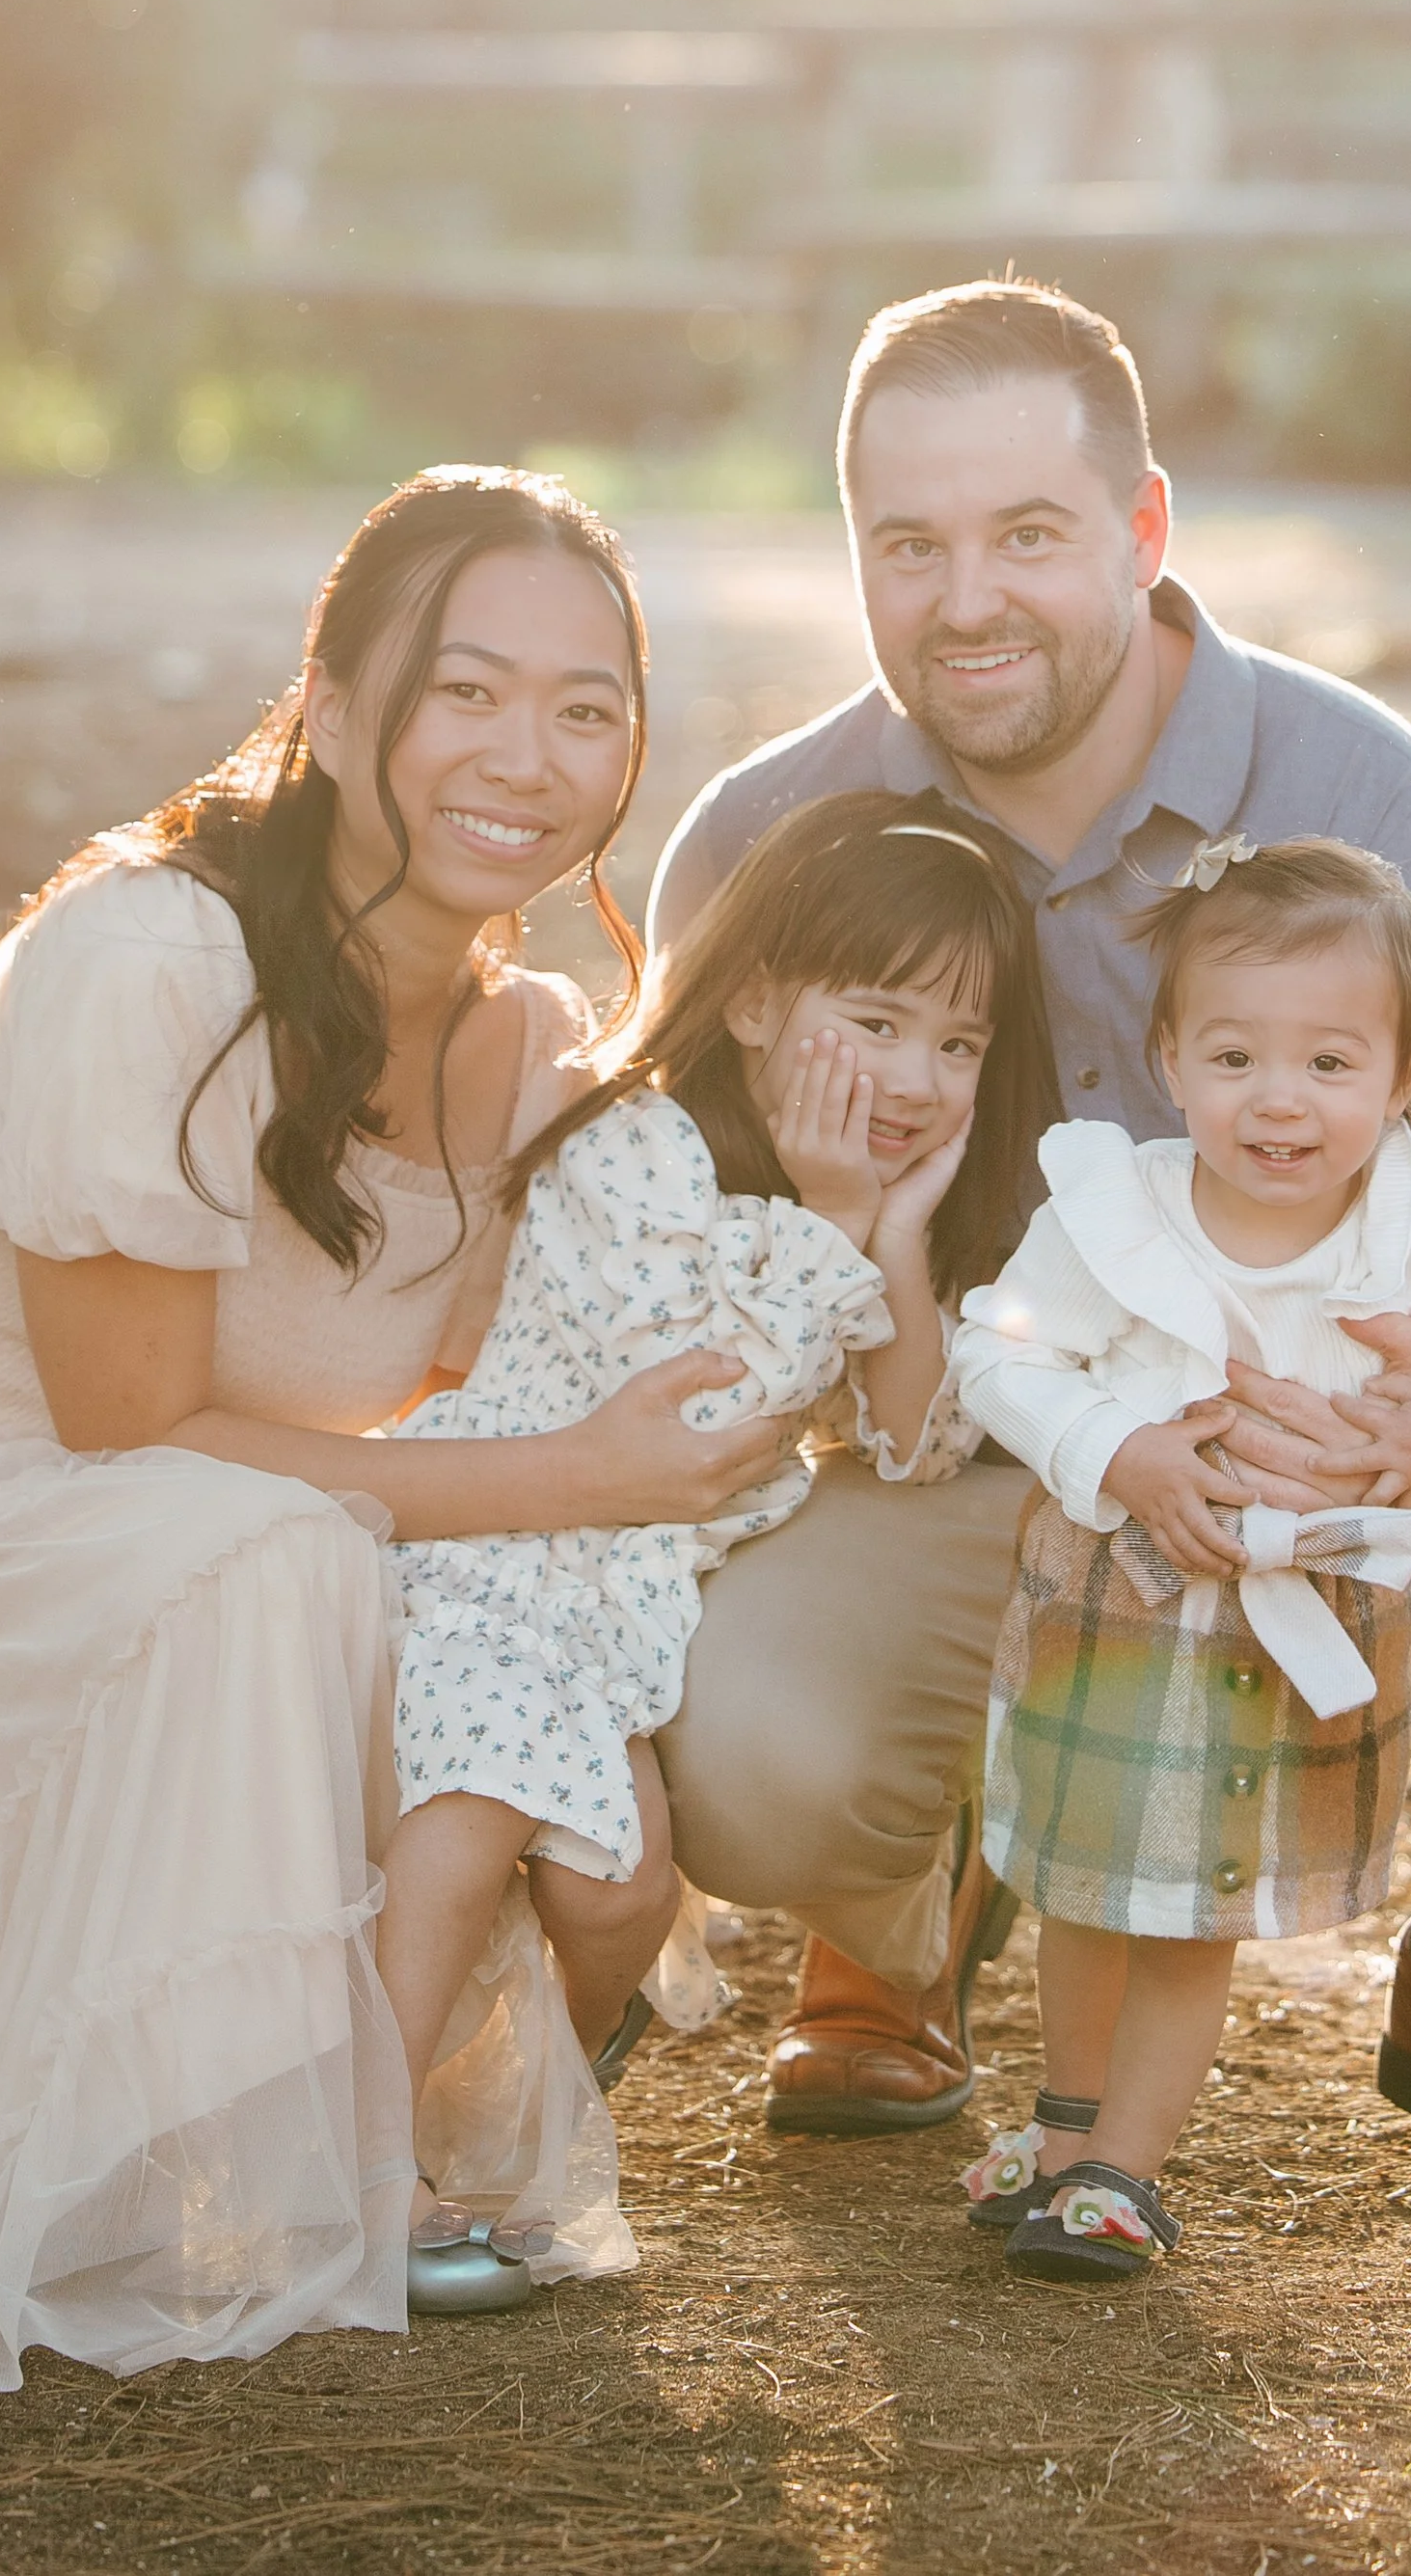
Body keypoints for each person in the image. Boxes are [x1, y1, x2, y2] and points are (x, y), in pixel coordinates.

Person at [0, 467, 797, 2384]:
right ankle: (283, 2162)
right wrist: (575, 1478)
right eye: (464, 691)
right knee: (297, 1560)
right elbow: (124, 1433)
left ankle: (362, 2097)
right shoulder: (152, 961)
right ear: (335, 698)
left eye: (586, 706)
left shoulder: (529, 1039)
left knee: (451, 1622)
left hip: (252, 1536)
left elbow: (539, 1375)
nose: (524, 756)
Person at [651, 278, 1411, 2204]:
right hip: (988, 1462)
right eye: (909, 545)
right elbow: (702, 1307)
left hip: (1332, 1468)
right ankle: (911, 1897)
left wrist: (1389, 1424)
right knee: (747, 1758)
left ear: (1139, 532)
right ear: (856, 555)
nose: (965, 597)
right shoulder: (757, 839)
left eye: (1026, 535)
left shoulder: (1359, 788)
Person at [376, 791, 1059, 2282]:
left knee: (620, 1887)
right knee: (475, 1809)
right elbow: (692, 1416)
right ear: (752, 998)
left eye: (959, 1044)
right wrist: (831, 1219)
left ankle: (506, 2134)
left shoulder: (858, 1202)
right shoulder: (633, 1142)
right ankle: (353, 2154)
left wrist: (884, 1231)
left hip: (617, 1597)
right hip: (496, 1545)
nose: (919, 1075)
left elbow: (915, 1441)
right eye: (875, 1022)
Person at [951, 838, 1411, 2278]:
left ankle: (1124, 2168)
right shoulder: (1113, 1216)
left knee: (1192, 1915)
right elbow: (992, 1350)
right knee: (1081, 1883)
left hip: (1279, 1630)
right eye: (1237, 1053)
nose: (1279, 1098)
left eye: (1329, 1061)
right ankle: (1063, 2130)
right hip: (1114, 1606)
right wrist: (1115, 1448)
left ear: (1404, 1080)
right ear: (1171, 1058)